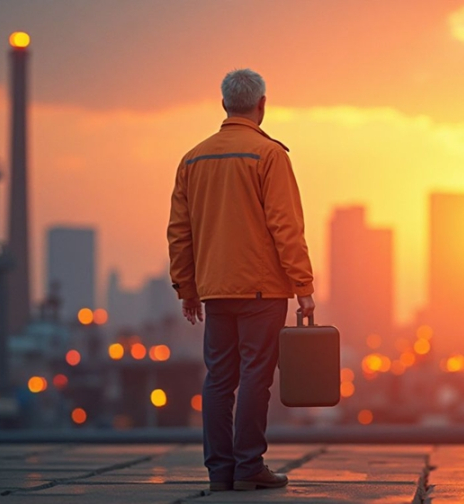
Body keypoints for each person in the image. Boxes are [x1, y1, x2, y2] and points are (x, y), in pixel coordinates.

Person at [167, 68, 315, 492]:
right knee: (255, 376)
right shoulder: (269, 155)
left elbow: (180, 230)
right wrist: (303, 286)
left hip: (215, 289)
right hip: (263, 289)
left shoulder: (192, 158)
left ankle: (219, 472)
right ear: (262, 105)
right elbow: (286, 226)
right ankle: (249, 466)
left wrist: (187, 288)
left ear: (224, 105)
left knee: (218, 379)